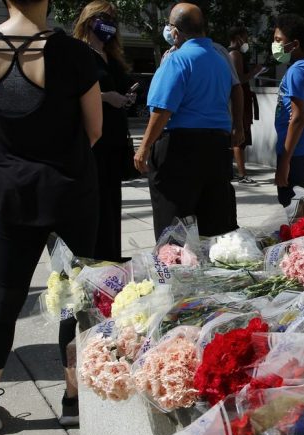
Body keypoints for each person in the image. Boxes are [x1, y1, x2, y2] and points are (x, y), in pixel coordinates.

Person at [0, 0, 102, 434]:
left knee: (4, 296)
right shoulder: (76, 55)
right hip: (69, 192)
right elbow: (94, 129)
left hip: (13, 193)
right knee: (74, 298)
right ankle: (74, 397)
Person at [134, 3, 241, 239]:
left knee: (173, 226)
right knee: (214, 225)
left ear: (175, 31)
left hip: (180, 149)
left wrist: (144, 147)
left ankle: (174, 271)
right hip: (216, 148)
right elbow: (236, 91)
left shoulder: (177, 60)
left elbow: (162, 110)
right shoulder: (220, 59)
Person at [73, 0, 134, 262]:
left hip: (115, 138)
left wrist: (127, 96)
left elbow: (121, 85)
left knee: (112, 201)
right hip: (94, 140)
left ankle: (112, 255)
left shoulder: (112, 54)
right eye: (104, 18)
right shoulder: (78, 53)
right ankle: (95, 258)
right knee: (95, 202)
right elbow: (73, 94)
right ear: (89, 21)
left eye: (113, 19)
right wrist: (106, 97)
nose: (110, 24)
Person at [272, 14, 304, 207]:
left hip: (295, 147)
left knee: (289, 202)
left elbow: (296, 118)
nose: (275, 45)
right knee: (294, 200)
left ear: (294, 44)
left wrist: (284, 162)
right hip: (303, 144)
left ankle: (301, 236)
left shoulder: (296, 71)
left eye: (278, 40)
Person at [227, 25, 261, 185]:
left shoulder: (231, 54)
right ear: (238, 37)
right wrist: (254, 72)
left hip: (241, 99)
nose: (247, 41)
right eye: (246, 37)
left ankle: (238, 172)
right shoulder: (235, 54)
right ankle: (242, 173)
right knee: (240, 135)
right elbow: (239, 79)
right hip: (240, 100)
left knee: (241, 135)